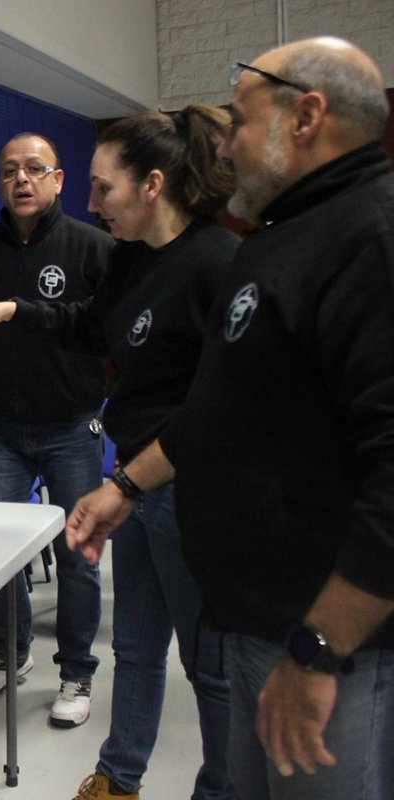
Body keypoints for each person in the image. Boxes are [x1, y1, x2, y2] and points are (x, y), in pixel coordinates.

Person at [68, 37, 394, 800]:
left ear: (307, 115)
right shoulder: (278, 246)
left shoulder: (370, 243)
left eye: (240, 125)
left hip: (328, 639)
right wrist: (126, 486)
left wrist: (318, 650)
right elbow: (219, 409)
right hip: (259, 622)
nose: (222, 150)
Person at [0, 105, 240, 800]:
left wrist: (131, 484)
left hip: (186, 491)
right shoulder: (133, 259)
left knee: (209, 666)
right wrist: (11, 311)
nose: (93, 202)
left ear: (153, 184)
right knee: (134, 645)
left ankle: (223, 789)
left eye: (104, 188)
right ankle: (119, 777)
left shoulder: (216, 261)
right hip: (134, 479)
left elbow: (217, 407)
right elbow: (87, 325)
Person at [0, 133, 112, 727]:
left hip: (70, 424)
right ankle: (9, 653)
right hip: (3, 429)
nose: (22, 179)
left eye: (35, 169)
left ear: (59, 179)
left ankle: (77, 672)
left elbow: (101, 332)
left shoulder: (93, 246)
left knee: (78, 555)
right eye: (9, 170)